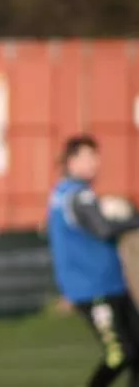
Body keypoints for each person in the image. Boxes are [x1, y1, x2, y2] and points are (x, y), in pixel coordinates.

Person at [47, 134, 139, 387]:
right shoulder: (78, 196)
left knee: (136, 351)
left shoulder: (63, 193)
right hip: (93, 288)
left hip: (112, 284)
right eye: (88, 157)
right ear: (71, 161)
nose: (95, 163)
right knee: (119, 354)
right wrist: (132, 220)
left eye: (96, 157)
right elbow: (103, 229)